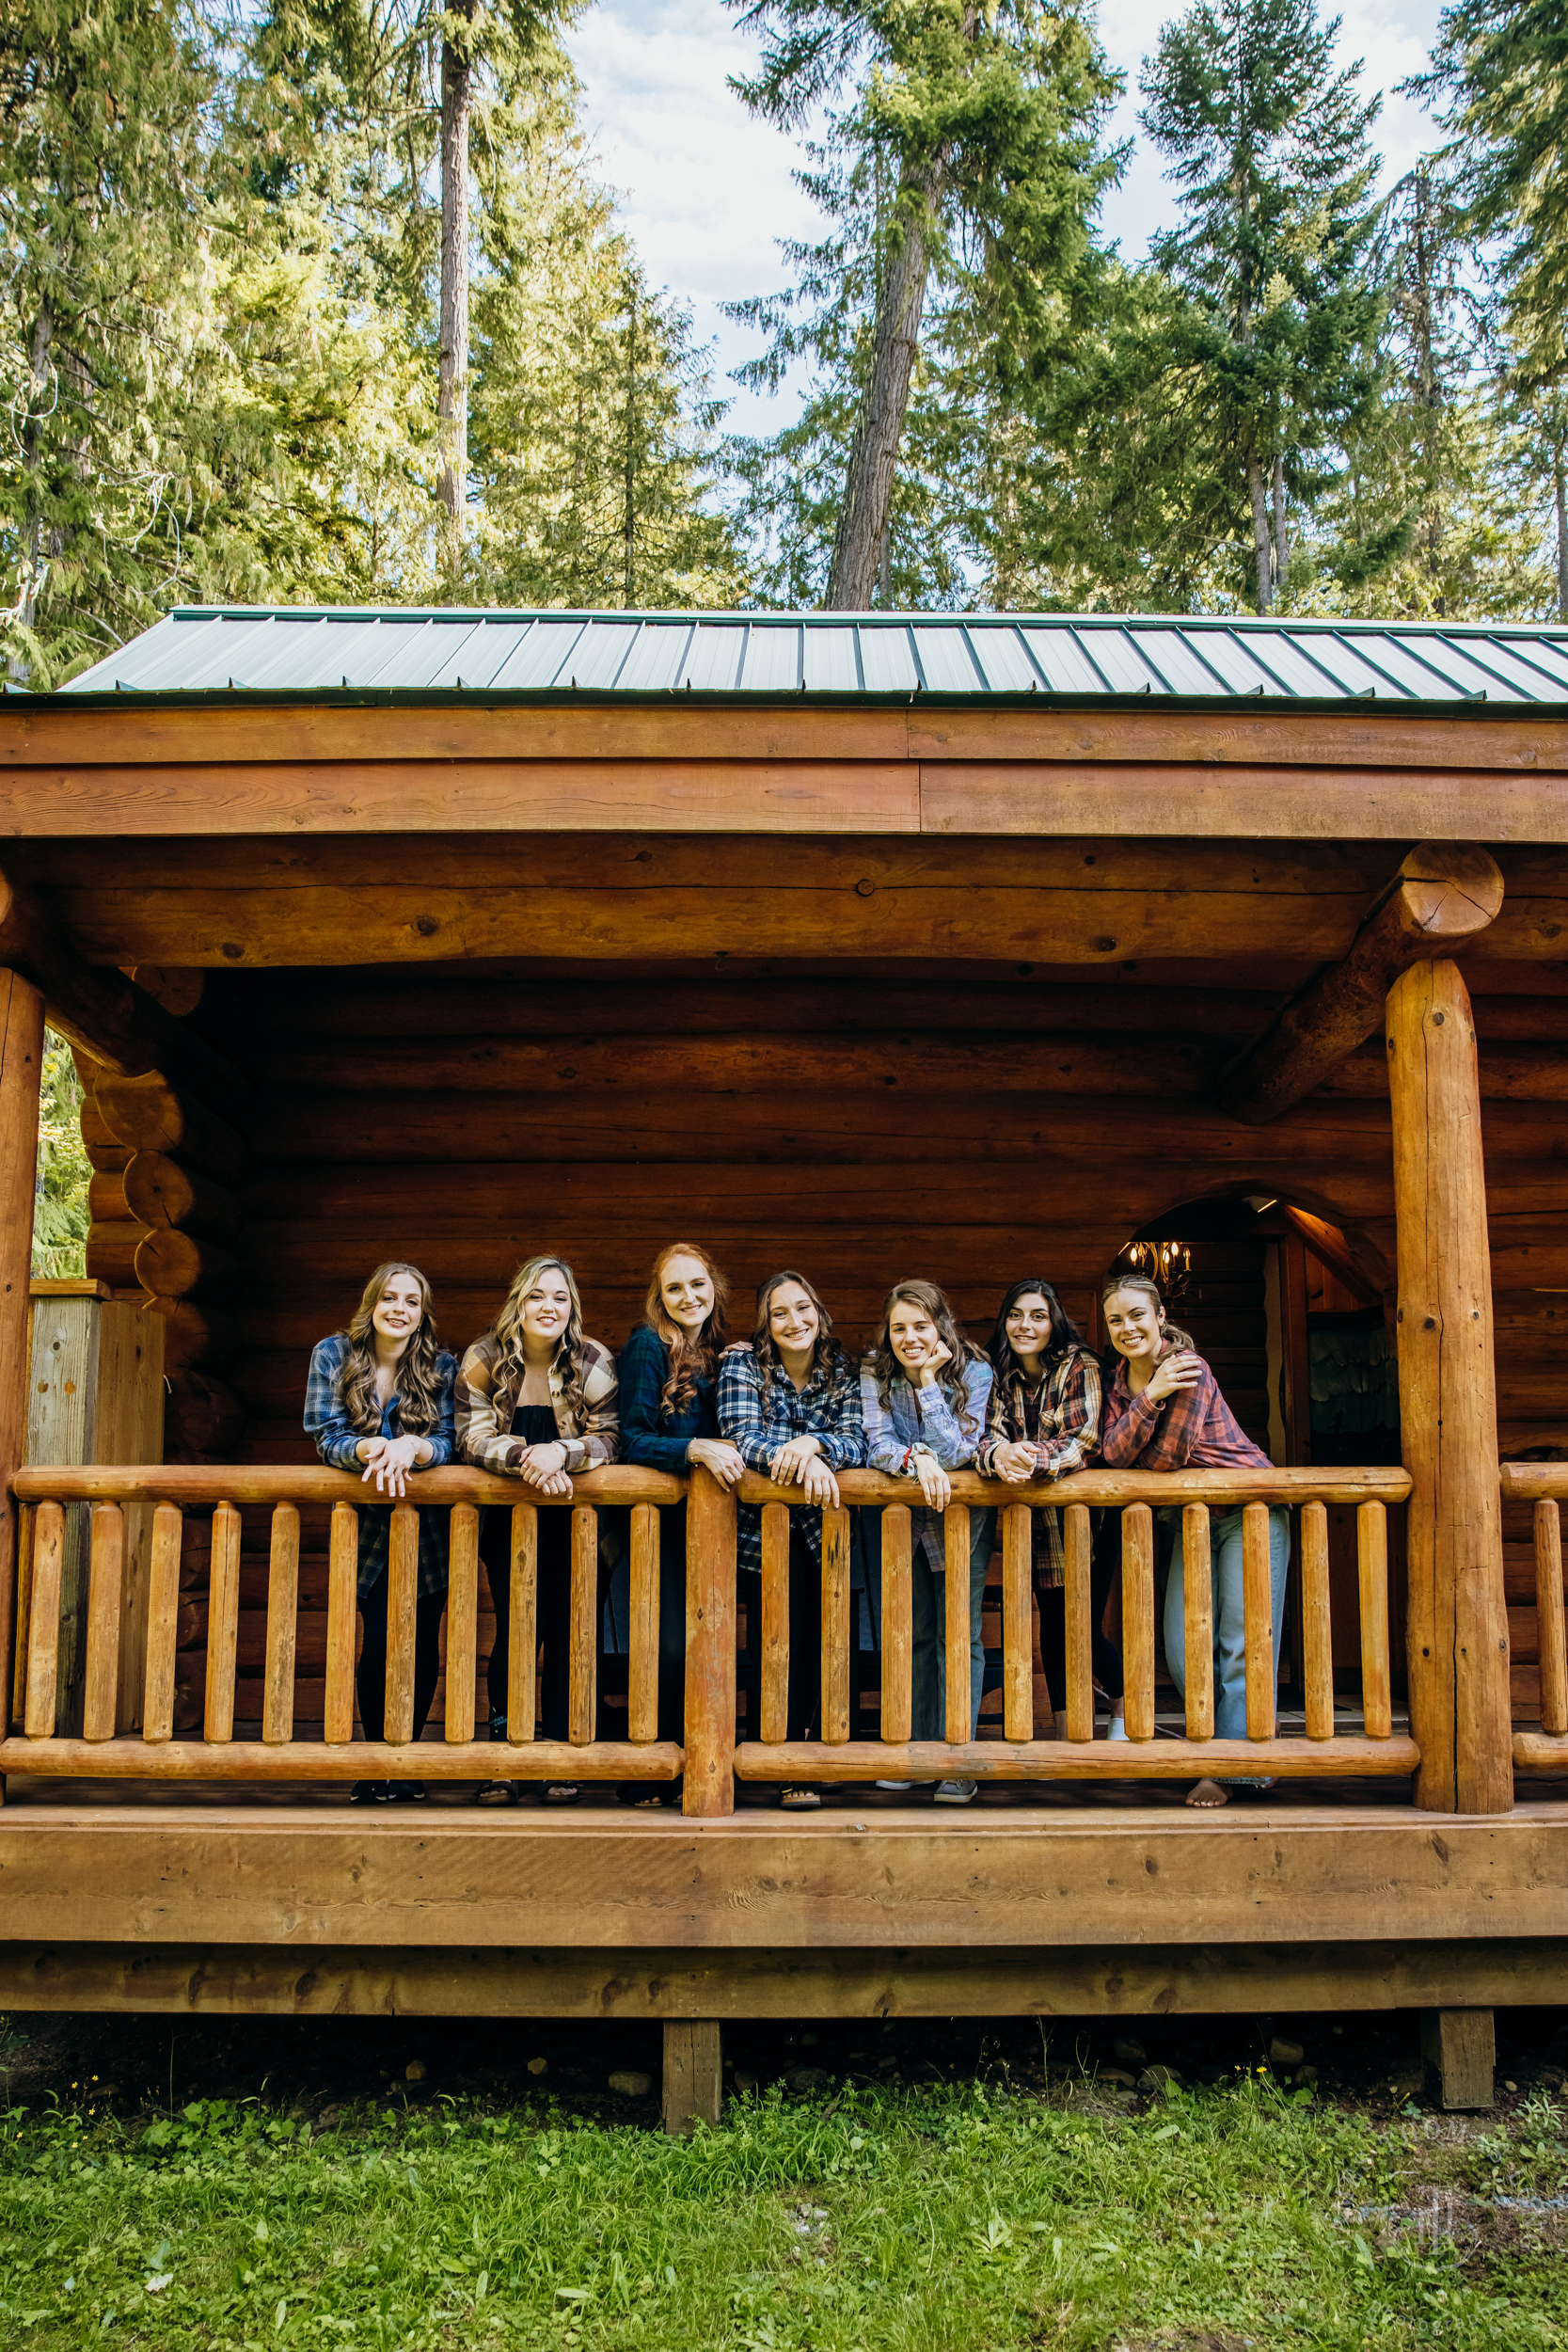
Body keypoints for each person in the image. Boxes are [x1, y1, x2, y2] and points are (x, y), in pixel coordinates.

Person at [1099, 1273, 1290, 1808]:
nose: (1127, 1327)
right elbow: (1110, 1456)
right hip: (1192, 1519)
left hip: (1251, 1512)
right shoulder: (1117, 1383)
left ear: (1160, 1317)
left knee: (1242, 1641)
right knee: (1183, 1646)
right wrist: (1149, 1398)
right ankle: (1234, 1750)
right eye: (1116, 1319)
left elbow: (1166, 1458)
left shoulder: (1190, 1368)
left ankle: (1231, 1766)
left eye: (1138, 1315)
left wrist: (1153, 1398)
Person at [456, 1255, 620, 1805]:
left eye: (559, 1298)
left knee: (573, 1631)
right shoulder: (483, 1358)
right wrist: (530, 1456)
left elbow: (610, 1438)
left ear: (571, 1307)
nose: (548, 1307)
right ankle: (505, 1752)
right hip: (509, 1521)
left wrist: (561, 1453)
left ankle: (562, 1752)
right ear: (518, 1303)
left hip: (583, 1523)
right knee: (517, 1626)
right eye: (536, 1296)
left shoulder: (593, 1361)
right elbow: (471, 1437)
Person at [304, 1261, 456, 1804]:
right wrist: (369, 1448)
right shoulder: (333, 1355)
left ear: (423, 1313)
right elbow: (326, 1433)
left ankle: (407, 1759)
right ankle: (375, 1761)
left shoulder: (441, 1366)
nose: (399, 1309)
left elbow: (449, 1440)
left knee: (420, 1638)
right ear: (371, 1304)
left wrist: (413, 1448)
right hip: (366, 1528)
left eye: (411, 1301)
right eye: (390, 1298)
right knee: (377, 1638)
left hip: (430, 1531)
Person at [717, 1269, 865, 1810]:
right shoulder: (741, 1363)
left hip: (826, 1534)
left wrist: (812, 1444)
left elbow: (857, 1442)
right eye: (780, 1313)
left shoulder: (842, 1370)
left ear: (819, 1313)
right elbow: (739, 1436)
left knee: (825, 1643)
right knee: (774, 1641)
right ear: (765, 1323)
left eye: (803, 1309)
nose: (794, 1321)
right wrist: (807, 1458)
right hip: (761, 1537)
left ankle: (809, 1758)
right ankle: (772, 1757)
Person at [618, 1243, 746, 1804]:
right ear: (659, 1297)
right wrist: (695, 1447)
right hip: (665, 1525)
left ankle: (706, 1761)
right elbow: (632, 1439)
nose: (688, 1297)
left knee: (709, 1644)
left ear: (713, 1287)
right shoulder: (649, 1346)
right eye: (674, 1288)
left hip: (717, 1527)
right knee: (669, 1645)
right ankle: (653, 1769)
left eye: (697, 1284)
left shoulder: (719, 1355)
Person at [859, 1280, 994, 1804]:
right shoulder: (874, 1369)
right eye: (900, 1328)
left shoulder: (975, 1371)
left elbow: (961, 1450)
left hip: (962, 1524)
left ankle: (957, 1759)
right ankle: (917, 1754)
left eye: (921, 1326)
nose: (910, 1337)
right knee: (912, 1634)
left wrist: (929, 1380)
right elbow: (877, 1442)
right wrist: (919, 1461)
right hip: (904, 1524)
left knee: (958, 1636)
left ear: (942, 1325)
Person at [977, 1278, 1125, 1742]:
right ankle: (1065, 1735)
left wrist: (1027, 1457)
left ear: (1053, 1322)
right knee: (1055, 1630)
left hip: (1089, 1521)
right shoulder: (997, 1374)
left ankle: (1121, 1713)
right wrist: (1000, 1455)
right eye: (1016, 1315)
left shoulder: (1079, 1365)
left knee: (1080, 1625)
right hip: (1038, 1522)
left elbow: (1083, 1440)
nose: (1026, 1325)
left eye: (1038, 1316)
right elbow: (986, 1435)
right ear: (1005, 1321)